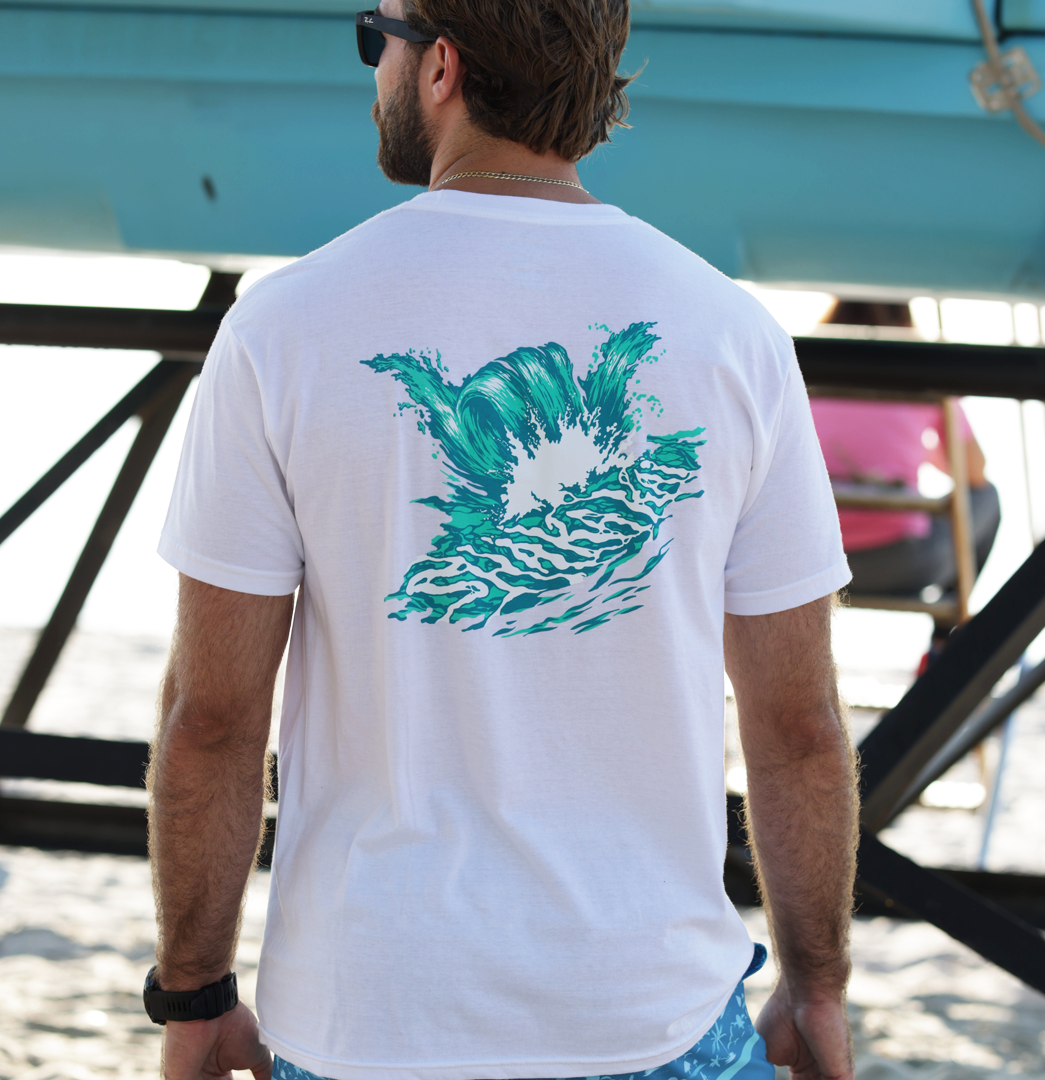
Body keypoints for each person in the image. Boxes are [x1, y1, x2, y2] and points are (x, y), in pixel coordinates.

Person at [146, 3, 858, 1080]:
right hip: (650, 1019)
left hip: (367, 1026)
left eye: (376, 35)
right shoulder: (733, 336)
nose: (372, 68)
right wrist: (819, 986)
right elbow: (798, 724)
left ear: (441, 66)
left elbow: (212, 718)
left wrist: (196, 994)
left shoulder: (280, 331)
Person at [809, 301, 1001, 663]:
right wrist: (919, 447)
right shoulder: (922, 371)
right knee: (986, 497)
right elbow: (975, 472)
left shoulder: (804, 368)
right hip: (900, 563)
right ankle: (943, 644)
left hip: (811, 559)